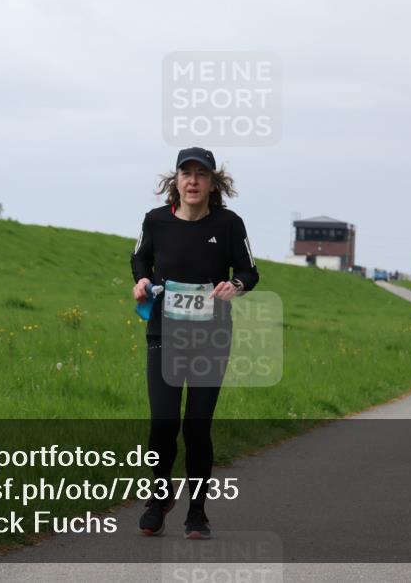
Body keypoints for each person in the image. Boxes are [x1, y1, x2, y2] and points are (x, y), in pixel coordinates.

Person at [131, 147, 259, 540]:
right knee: (163, 423)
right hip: (164, 334)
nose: (192, 181)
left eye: (200, 175)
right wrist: (140, 282)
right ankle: (159, 496)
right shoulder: (155, 221)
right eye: (185, 174)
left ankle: (197, 513)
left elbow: (250, 271)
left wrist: (234, 286)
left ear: (212, 182)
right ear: (176, 181)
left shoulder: (230, 223)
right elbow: (140, 261)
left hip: (211, 337)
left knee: (197, 427)